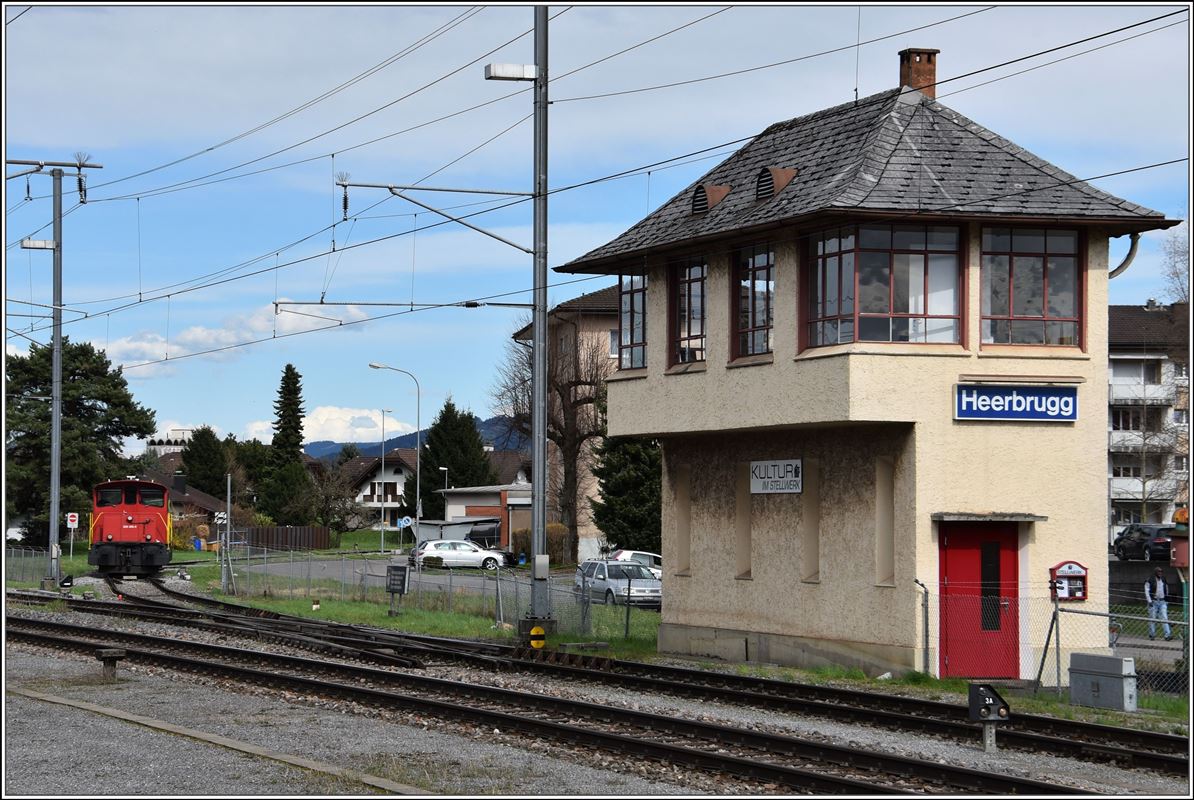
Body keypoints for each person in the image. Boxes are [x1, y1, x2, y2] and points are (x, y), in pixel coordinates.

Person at [1144, 567, 1173, 641]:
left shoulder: (1163, 579)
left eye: (1161, 572)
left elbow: (1166, 589)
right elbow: (1146, 591)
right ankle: (1152, 634)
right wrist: (1149, 601)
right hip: (1153, 601)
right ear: (1155, 572)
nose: (1160, 573)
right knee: (1153, 618)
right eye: (1158, 572)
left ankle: (1167, 635)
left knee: (1164, 617)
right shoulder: (1149, 580)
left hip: (1162, 601)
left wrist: (1167, 599)